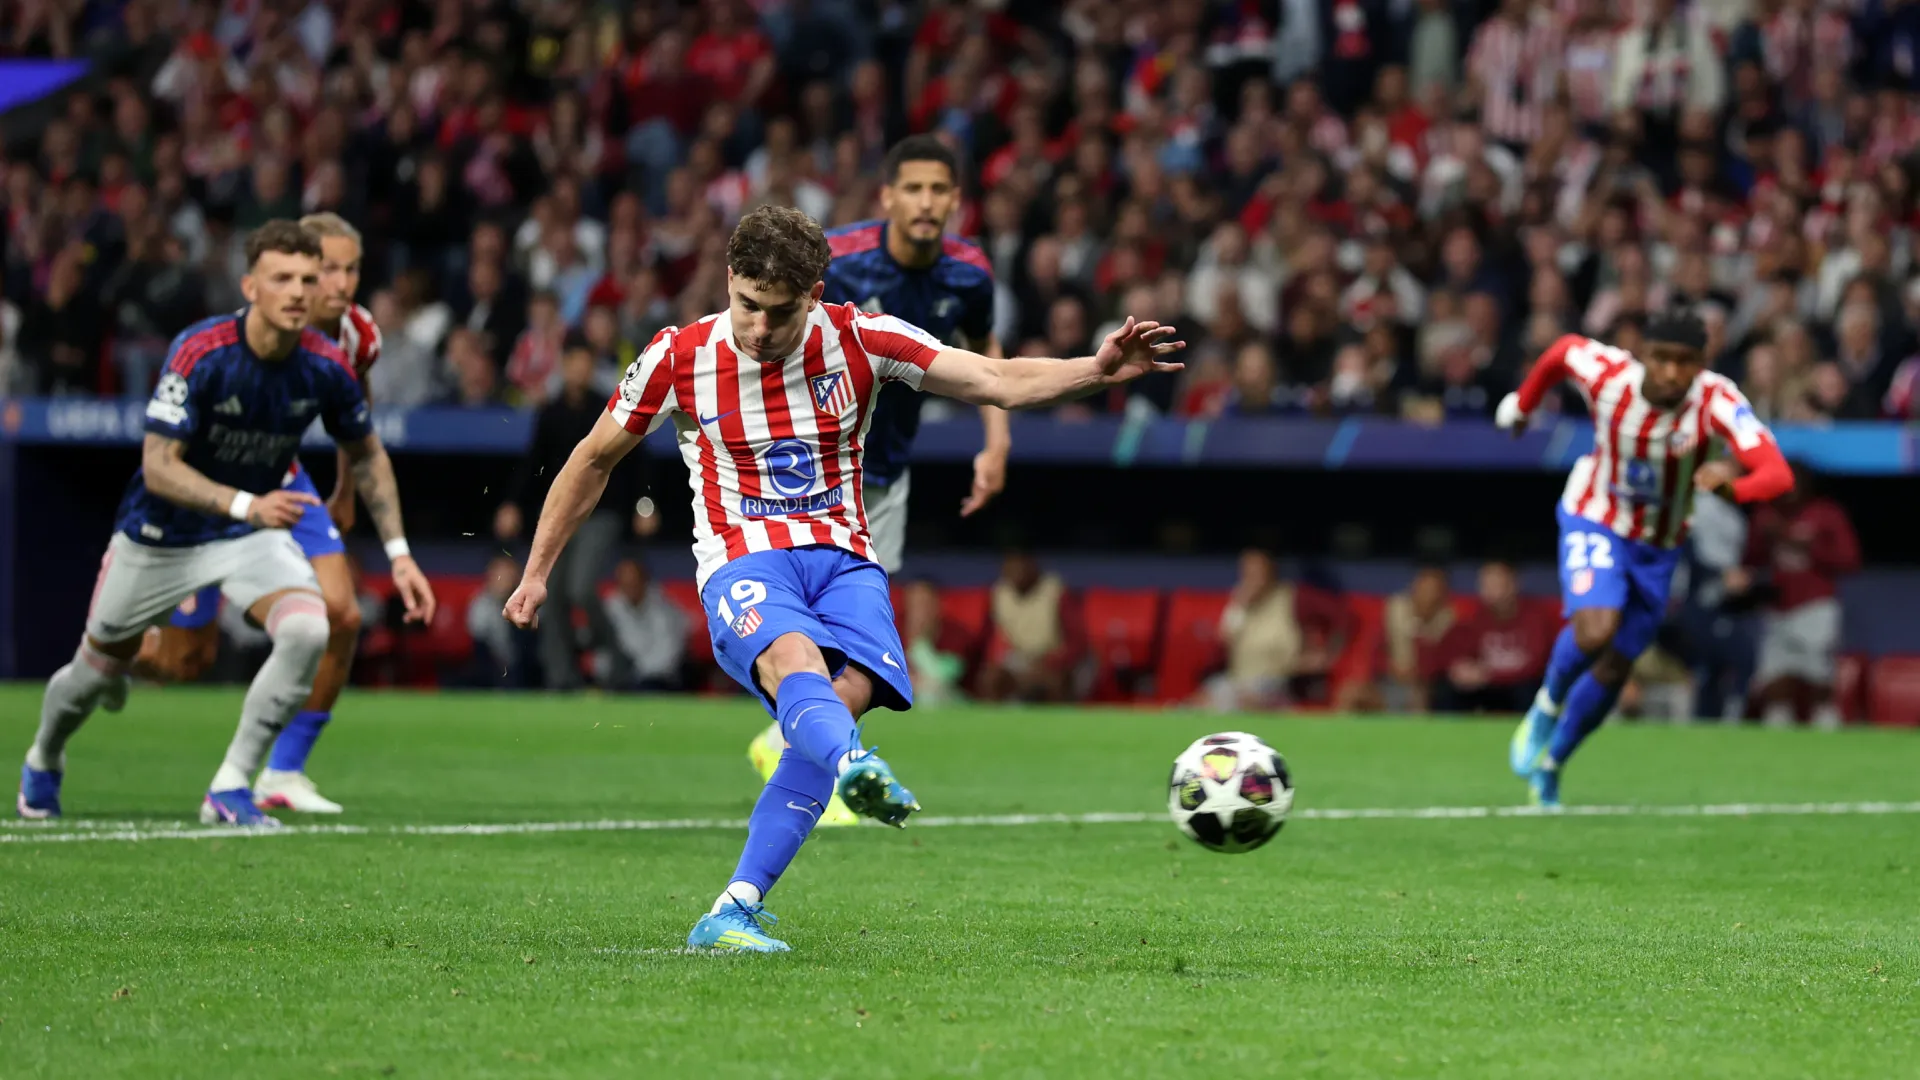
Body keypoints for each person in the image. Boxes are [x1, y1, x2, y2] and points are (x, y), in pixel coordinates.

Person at [501, 205, 1181, 952]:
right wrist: (538, 572)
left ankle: (733, 907)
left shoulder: (862, 339)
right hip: (744, 556)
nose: (760, 329)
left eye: (781, 312)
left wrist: (1096, 368)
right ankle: (854, 764)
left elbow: (994, 377)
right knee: (799, 667)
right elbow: (593, 459)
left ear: (816, 293)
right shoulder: (677, 356)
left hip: (845, 562)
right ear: (728, 281)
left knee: (841, 700)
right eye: (747, 306)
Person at [17, 221, 434, 825]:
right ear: (250, 286)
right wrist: (244, 504)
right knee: (93, 674)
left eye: (307, 280)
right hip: (162, 534)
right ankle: (45, 756)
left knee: (309, 627)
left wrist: (398, 551)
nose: (298, 291)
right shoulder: (201, 352)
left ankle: (233, 785)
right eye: (282, 279)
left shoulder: (325, 365)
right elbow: (159, 466)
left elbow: (367, 454)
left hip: (247, 532)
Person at [743, 136, 1010, 813]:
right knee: (826, 636)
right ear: (887, 196)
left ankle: (795, 744)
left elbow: (985, 351)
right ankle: (817, 759)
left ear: (955, 200)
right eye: (912, 189)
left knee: (861, 640)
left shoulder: (970, 274)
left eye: (939, 190)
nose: (926, 202)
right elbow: (764, 331)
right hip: (810, 471)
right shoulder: (837, 259)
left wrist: (996, 441)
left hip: (885, 474)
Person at [129, 212, 386, 815]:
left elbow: (359, 412)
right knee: (185, 663)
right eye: (327, 268)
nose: (339, 282)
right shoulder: (243, 330)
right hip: (214, 484)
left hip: (285, 480)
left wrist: (347, 487)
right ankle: (119, 654)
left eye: (352, 269)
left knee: (343, 614)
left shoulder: (357, 335)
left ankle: (284, 770)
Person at [1498, 311, 1792, 808]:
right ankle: (1545, 709)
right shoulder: (1611, 378)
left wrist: (1733, 486)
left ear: (1703, 363)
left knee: (1615, 668)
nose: (1673, 373)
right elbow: (1562, 350)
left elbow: (1777, 473)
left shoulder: (1717, 400)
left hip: (1658, 546)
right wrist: (1524, 405)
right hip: (1596, 515)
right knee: (1595, 629)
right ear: (1643, 355)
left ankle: (1553, 764)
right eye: (1663, 359)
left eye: (1686, 363)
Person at [494, 336, 650, 688]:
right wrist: (513, 504)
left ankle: (614, 654)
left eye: (586, 361)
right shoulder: (550, 412)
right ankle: (562, 678)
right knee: (552, 592)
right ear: (563, 366)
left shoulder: (608, 405)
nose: (580, 369)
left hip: (603, 510)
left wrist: (644, 503)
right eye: (574, 361)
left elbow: (638, 458)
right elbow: (534, 464)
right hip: (562, 513)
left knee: (581, 588)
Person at [1729, 462, 1861, 729]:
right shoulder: (1766, 514)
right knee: (1775, 672)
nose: (1789, 490)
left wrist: (1803, 544)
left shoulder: (1825, 513)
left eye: (1795, 482)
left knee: (1817, 672)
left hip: (1816, 606)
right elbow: (1750, 559)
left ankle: (1826, 723)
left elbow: (1850, 560)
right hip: (1777, 606)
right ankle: (1779, 727)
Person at [1431, 560, 1556, 715]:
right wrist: (1459, 668)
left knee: (1528, 690)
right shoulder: (1475, 617)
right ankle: (1448, 735)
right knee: (1447, 690)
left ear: (1512, 585)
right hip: (1486, 686)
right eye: (1485, 585)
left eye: (1496, 585)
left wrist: (1489, 675)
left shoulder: (1535, 616)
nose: (1490, 591)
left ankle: (1529, 735)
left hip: (1520, 685)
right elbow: (1451, 652)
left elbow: (1536, 664)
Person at [601, 557, 689, 691]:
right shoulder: (611, 606)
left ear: (644, 581)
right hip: (619, 679)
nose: (630, 588)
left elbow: (667, 658)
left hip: (656, 680)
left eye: (633, 583)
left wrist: (635, 673)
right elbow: (602, 652)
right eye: (625, 583)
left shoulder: (663, 607)